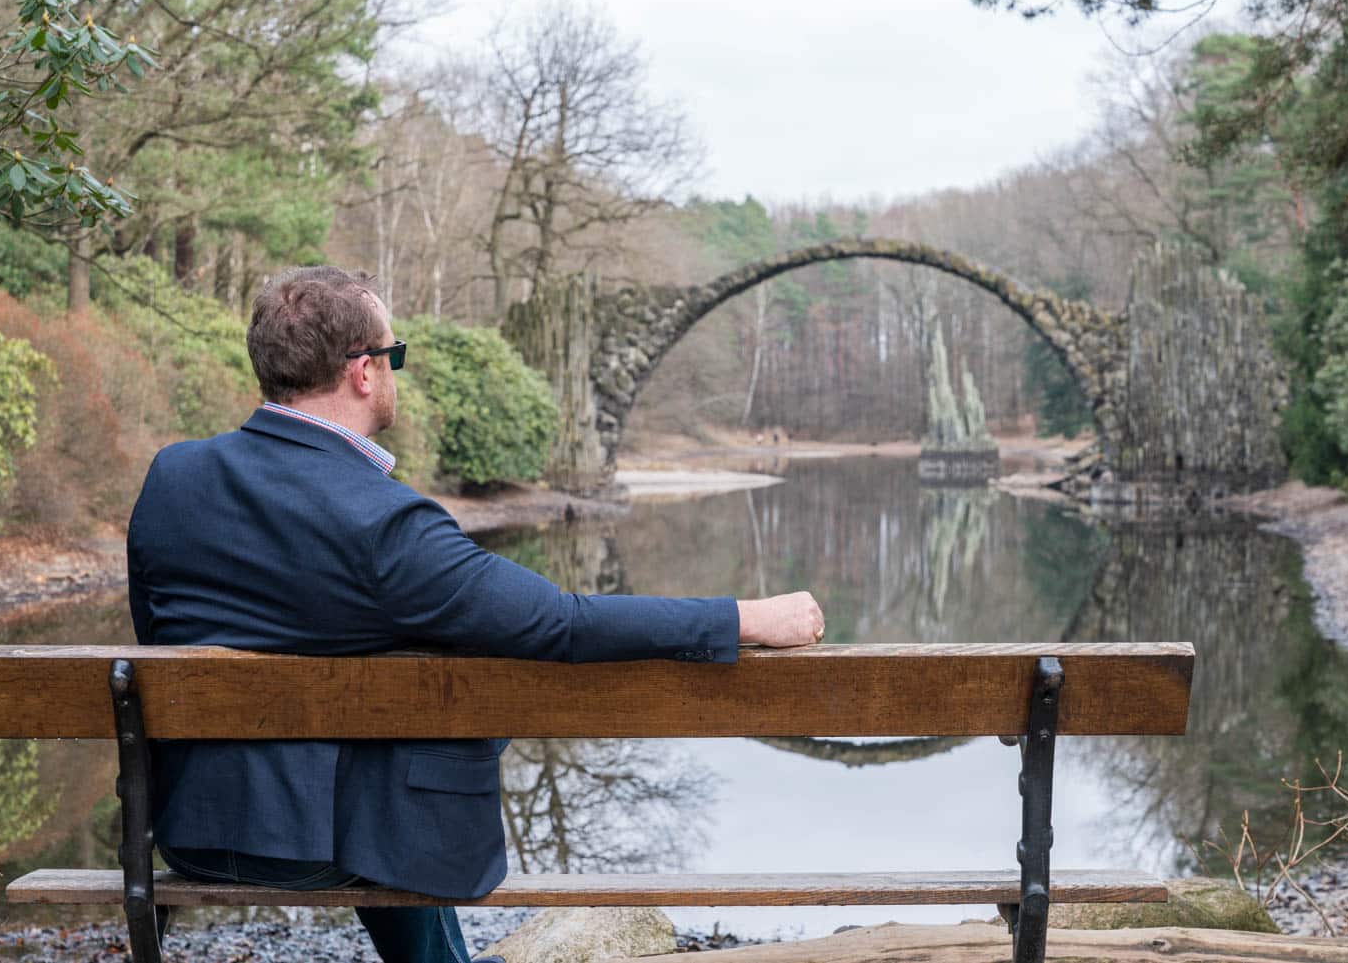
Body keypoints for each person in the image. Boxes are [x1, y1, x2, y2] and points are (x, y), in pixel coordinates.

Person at [125, 265, 825, 963]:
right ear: (364, 372)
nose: (396, 371)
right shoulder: (385, 524)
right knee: (446, 710)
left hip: (192, 832)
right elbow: (564, 622)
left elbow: (155, 633)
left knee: (396, 712)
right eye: (394, 355)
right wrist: (743, 617)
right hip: (313, 849)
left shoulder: (172, 477)